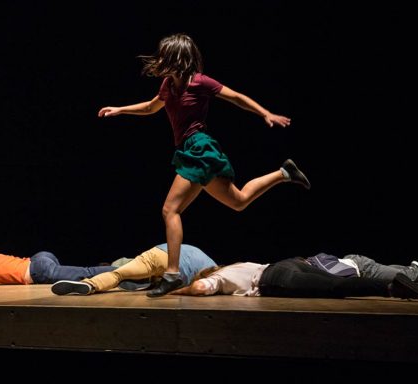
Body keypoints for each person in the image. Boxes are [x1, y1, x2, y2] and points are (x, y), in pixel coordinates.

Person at [97, 33, 310, 297]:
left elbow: (236, 97)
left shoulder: (199, 82)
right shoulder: (168, 85)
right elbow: (151, 108)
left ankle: (172, 273)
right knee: (239, 201)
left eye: (165, 54)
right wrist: (120, 109)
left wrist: (265, 113)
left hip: (199, 148)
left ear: (178, 57)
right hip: (191, 151)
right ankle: (284, 173)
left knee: (169, 209)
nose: (160, 59)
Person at [171, 257, 418, 302]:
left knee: (336, 288)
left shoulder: (218, 277)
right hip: (287, 263)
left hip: (275, 277)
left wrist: (176, 293)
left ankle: (393, 287)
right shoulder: (237, 264)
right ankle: (415, 285)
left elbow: (201, 288)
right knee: (331, 281)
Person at [51, 243, 217, 296]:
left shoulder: (203, 256)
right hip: (174, 269)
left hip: (159, 254)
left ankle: (91, 285)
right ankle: (146, 282)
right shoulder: (210, 273)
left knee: (118, 273)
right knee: (157, 282)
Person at [304, 253, 418, 284]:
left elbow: (346, 276)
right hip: (358, 263)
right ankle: (411, 268)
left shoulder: (315, 262)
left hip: (364, 269)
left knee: (411, 276)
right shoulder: (315, 262)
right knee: (387, 270)